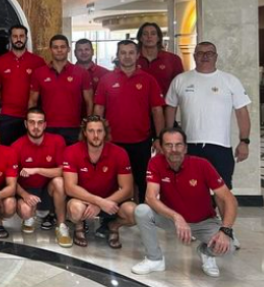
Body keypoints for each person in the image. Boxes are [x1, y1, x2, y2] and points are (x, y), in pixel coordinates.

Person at [132, 128, 238, 278]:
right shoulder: (155, 162)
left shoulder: (202, 164)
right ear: (161, 148)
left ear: (186, 148)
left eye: (178, 145)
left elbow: (229, 199)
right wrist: (177, 217)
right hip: (172, 220)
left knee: (229, 248)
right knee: (142, 211)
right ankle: (154, 259)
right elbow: (150, 198)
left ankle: (205, 252)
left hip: (203, 222)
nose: (174, 149)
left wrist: (225, 230)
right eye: (168, 145)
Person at [165, 41, 251, 189]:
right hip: (188, 146)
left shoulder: (230, 81)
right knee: (189, 188)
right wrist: (167, 138)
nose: (205, 56)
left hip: (220, 146)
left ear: (216, 57)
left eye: (209, 53)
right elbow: (170, 108)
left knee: (222, 190)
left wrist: (244, 141)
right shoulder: (180, 80)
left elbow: (242, 112)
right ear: (194, 56)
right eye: (200, 53)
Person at [94, 40, 165, 203]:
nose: (127, 56)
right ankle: (113, 214)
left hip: (141, 141)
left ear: (138, 55)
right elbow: (99, 109)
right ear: (117, 55)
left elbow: (157, 111)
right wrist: (96, 135)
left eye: (131, 53)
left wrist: (159, 138)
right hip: (112, 141)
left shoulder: (148, 80)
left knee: (142, 181)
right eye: (123, 53)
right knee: (112, 181)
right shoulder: (106, 79)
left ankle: (144, 212)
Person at [63, 116, 136, 248]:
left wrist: (103, 203)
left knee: (134, 213)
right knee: (75, 210)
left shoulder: (120, 153)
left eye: (99, 131)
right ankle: (79, 226)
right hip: (83, 200)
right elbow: (70, 187)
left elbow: (127, 190)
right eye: (91, 131)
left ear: (105, 132)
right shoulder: (71, 151)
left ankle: (113, 226)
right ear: (85, 133)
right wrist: (99, 202)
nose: (96, 135)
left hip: (111, 201)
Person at [11, 108, 72, 248]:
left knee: (60, 181)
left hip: (48, 191)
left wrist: (37, 170)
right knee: (25, 211)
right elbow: (11, 179)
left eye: (40, 123)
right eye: (32, 122)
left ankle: (61, 226)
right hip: (28, 191)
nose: (36, 127)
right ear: (26, 124)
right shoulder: (16, 146)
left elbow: (63, 171)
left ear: (45, 125)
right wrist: (24, 195)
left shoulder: (57, 141)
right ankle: (29, 217)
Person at [29, 35, 93, 145]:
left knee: (72, 156)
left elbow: (89, 102)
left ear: (68, 49)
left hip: (73, 128)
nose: (59, 50)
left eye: (62, 47)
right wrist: (32, 125)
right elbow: (32, 101)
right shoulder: (39, 73)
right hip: (47, 127)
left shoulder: (82, 73)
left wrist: (89, 126)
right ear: (50, 49)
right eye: (55, 47)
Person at [0, 25, 46, 145]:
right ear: (10, 38)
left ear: (26, 38)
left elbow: (44, 91)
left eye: (21, 36)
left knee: (30, 150)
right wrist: (6, 103)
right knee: (7, 150)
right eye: (15, 36)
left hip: (31, 116)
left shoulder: (38, 62)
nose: (18, 39)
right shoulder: (0, 61)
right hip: (8, 116)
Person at [136, 22, 184, 96]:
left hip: (165, 102)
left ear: (158, 38)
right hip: (137, 102)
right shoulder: (133, 59)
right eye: (145, 34)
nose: (149, 36)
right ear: (140, 38)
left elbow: (180, 86)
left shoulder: (173, 59)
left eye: (153, 34)